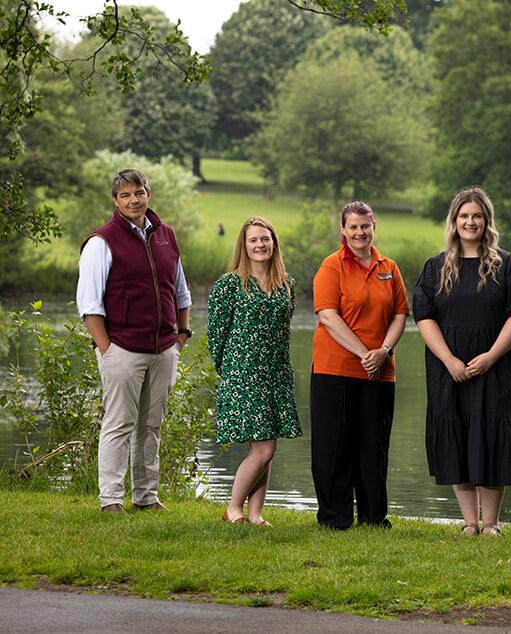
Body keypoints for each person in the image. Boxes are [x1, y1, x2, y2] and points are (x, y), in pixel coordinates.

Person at [413, 186, 511, 537]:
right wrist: (449, 359)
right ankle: (469, 522)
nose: (470, 222)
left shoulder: (507, 265)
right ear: (454, 222)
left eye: (477, 216)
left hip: (496, 368)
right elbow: (424, 317)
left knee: (491, 436)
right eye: (464, 216)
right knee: (457, 437)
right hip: (449, 369)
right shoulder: (436, 268)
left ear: (487, 222)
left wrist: (490, 356)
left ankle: (491, 523)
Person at [76, 169, 192, 513]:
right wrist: (107, 350)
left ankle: (146, 497)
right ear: (115, 201)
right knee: (119, 424)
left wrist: (181, 336)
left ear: (148, 195)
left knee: (150, 426)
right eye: (125, 195)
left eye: (138, 193)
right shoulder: (102, 242)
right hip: (122, 349)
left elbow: (180, 291)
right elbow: (89, 304)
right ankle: (111, 499)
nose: (133, 200)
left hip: (163, 348)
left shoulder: (166, 236)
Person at [310, 201, 409, 529]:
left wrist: (382, 351)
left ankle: (373, 517)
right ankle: (334, 518)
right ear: (343, 230)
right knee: (334, 446)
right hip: (335, 369)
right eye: (352, 227)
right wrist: (363, 353)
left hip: (381, 372)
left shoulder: (389, 267)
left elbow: (400, 315)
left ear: (374, 226)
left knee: (373, 447)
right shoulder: (331, 266)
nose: (359, 232)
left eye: (364, 226)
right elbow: (328, 314)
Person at [208, 216, 301, 526]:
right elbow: (216, 336)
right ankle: (233, 508)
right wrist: (232, 372)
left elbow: (284, 330)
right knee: (264, 447)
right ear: (244, 246)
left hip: (275, 373)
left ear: (273, 243)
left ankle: (256, 513)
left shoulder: (286, 284)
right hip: (243, 375)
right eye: (253, 240)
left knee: (266, 445)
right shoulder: (230, 285)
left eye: (265, 239)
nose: (260, 244)